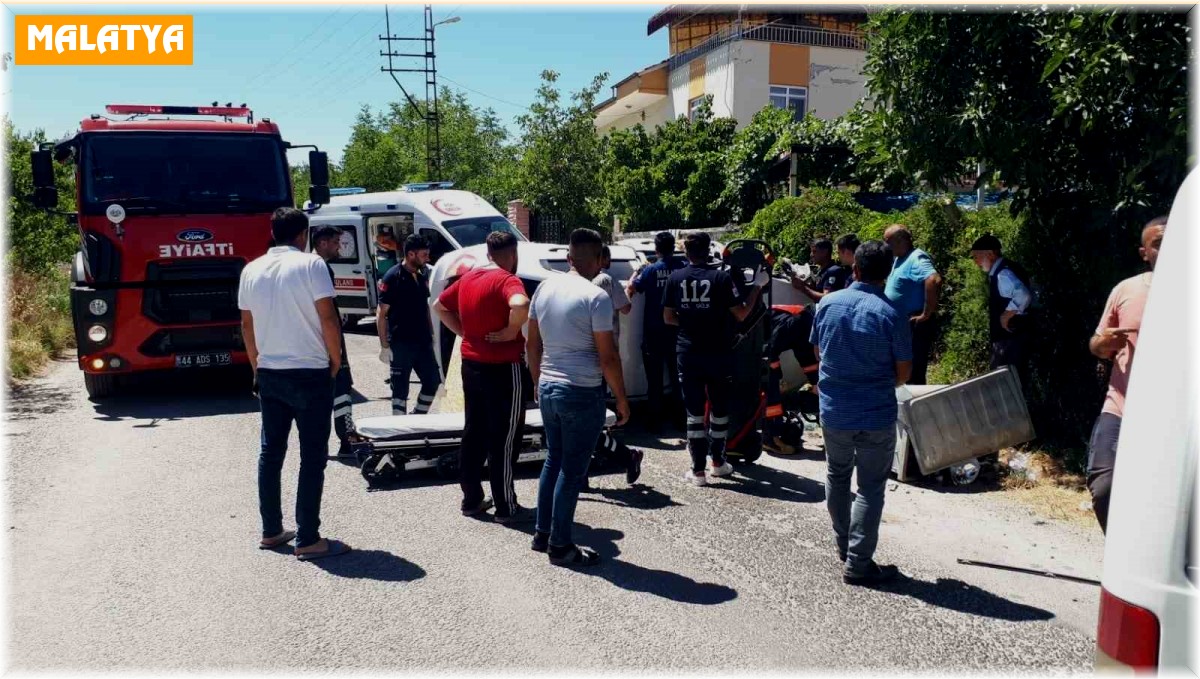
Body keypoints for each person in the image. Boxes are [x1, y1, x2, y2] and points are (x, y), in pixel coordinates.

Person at [238, 208, 350, 561]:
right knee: (312, 456)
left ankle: (271, 530)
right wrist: (336, 360)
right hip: (309, 371)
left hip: (270, 371)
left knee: (271, 453)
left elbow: (246, 325)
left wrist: (257, 366)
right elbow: (328, 317)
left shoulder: (251, 269)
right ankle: (308, 538)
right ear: (303, 234)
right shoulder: (311, 264)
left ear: (273, 232)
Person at [526, 228, 631, 567]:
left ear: (568, 258)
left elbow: (532, 345)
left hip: (548, 386)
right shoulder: (596, 297)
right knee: (571, 471)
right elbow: (608, 357)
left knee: (553, 460)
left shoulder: (544, 288)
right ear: (601, 260)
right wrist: (621, 399)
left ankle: (542, 534)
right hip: (581, 391)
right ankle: (560, 546)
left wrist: (537, 382)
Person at [810, 239, 912, 586]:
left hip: (834, 409)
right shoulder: (893, 314)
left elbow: (819, 353)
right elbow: (903, 373)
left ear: (854, 269)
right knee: (870, 487)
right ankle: (858, 563)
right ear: (888, 273)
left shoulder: (827, 304)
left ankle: (844, 545)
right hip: (875, 413)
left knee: (837, 475)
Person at [433, 232, 531, 523]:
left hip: (472, 365)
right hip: (504, 367)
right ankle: (506, 506)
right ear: (512, 254)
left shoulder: (468, 279)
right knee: (505, 436)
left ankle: (472, 499)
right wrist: (511, 331)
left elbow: (439, 306)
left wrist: (464, 332)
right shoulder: (507, 279)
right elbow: (521, 304)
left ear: (488, 253)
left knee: (474, 431)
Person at [664, 231, 765, 487]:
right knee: (719, 411)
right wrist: (756, 287)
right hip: (719, 353)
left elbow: (668, 317)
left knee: (694, 413)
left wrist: (691, 324)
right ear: (709, 250)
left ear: (686, 252)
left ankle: (697, 470)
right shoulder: (721, 278)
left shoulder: (676, 278)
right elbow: (741, 313)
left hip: (688, 352)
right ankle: (718, 463)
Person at [1086, 216, 1166, 533]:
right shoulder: (1126, 290)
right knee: (1105, 487)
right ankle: (1123, 555)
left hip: (1179, 420)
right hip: (1121, 408)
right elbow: (1096, 343)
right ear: (1144, 252)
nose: (1168, 248)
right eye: (1158, 243)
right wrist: (1102, 344)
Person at [588, 245, 643, 486]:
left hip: (584, 357)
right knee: (593, 415)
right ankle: (624, 456)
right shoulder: (607, 280)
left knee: (588, 419)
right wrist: (630, 287)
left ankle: (616, 456)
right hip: (604, 352)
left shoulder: (575, 281)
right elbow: (626, 307)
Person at [626, 231, 685, 431]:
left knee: (654, 380)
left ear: (656, 249)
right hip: (677, 330)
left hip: (654, 332)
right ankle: (681, 420)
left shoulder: (651, 271)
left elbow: (632, 287)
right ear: (673, 248)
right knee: (678, 379)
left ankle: (654, 421)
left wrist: (637, 271)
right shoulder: (682, 267)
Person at [377, 234, 441, 416]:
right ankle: (399, 426)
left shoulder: (422, 276)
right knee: (400, 392)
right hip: (401, 344)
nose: (427, 258)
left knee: (432, 382)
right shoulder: (393, 277)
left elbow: (425, 308)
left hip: (423, 342)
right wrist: (384, 345)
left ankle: (416, 417)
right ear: (411, 254)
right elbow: (381, 313)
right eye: (424, 254)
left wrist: (432, 334)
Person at [311, 225, 356, 458]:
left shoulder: (310, 266)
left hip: (317, 342)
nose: (340, 247)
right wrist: (336, 350)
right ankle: (347, 440)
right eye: (336, 242)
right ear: (323, 243)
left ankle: (320, 444)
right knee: (342, 391)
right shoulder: (320, 268)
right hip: (330, 342)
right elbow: (328, 314)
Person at [969, 234, 1034, 385]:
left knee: (1004, 385)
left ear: (990, 254)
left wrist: (1006, 315)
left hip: (1010, 342)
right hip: (1014, 339)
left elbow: (1023, 295)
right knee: (1014, 384)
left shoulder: (1003, 274)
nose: (975, 262)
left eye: (976, 257)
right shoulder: (1004, 269)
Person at [883, 225, 942, 385]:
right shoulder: (899, 258)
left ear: (901, 240)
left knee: (913, 371)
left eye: (888, 242)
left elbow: (933, 279)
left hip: (914, 324)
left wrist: (926, 313)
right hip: (901, 324)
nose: (885, 246)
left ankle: (917, 399)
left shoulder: (916, 257)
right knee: (900, 368)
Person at [763, 304, 819, 456]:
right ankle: (771, 438)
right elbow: (769, 351)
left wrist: (816, 383)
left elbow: (807, 357)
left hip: (763, 346)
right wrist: (777, 375)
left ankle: (772, 430)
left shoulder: (806, 322)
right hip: (748, 341)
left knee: (773, 382)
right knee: (772, 387)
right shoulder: (798, 321)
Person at [790, 238, 851, 302]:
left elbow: (827, 298)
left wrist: (803, 288)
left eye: (814, 251)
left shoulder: (833, 271)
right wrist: (801, 283)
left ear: (825, 252)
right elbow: (817, 291)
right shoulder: (821, 271)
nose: (811, 255)